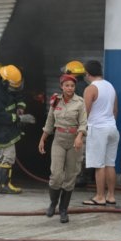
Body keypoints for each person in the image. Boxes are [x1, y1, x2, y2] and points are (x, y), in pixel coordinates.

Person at [38, 73, 87, 223]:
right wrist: (42, 140)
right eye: (67, 85)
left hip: (74, 141)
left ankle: (64, 210)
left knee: (70, 177)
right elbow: (49, 123)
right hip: (58, 140)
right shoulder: (55, 102)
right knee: (56, 175)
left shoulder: (80, 102)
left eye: (72, 86)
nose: (70, 88)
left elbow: (84, 123)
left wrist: (79, 137)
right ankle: (53, 203)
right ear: (61, 86)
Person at [0, 64, 35, 194]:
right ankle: (4, 186)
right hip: (2, 131)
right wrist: (20, 118)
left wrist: (20, 107)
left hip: (6, 130)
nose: (15, 88)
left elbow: (19, 96)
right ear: (4, 81)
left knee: (1, 156)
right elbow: (0, 116)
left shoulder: (7, 89)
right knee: (9, 157)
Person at [81, 60, 119, 206]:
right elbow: (115, 110)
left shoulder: (91, 88)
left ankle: (100, 197)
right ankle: (111, 196)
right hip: (112, 128)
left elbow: (86, 111)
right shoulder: (110, 86)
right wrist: (110, 122)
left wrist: (80, 130)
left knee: (99, 165)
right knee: (110, 164)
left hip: (98, 129)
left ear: (87, 73)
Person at [61, 60, 92, 187]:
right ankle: (83, 176)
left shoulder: (73, 88)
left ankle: (78, 177)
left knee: (76, 151)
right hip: (86, 124)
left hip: (76, 125)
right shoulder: (86, 85)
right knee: (83, 151)